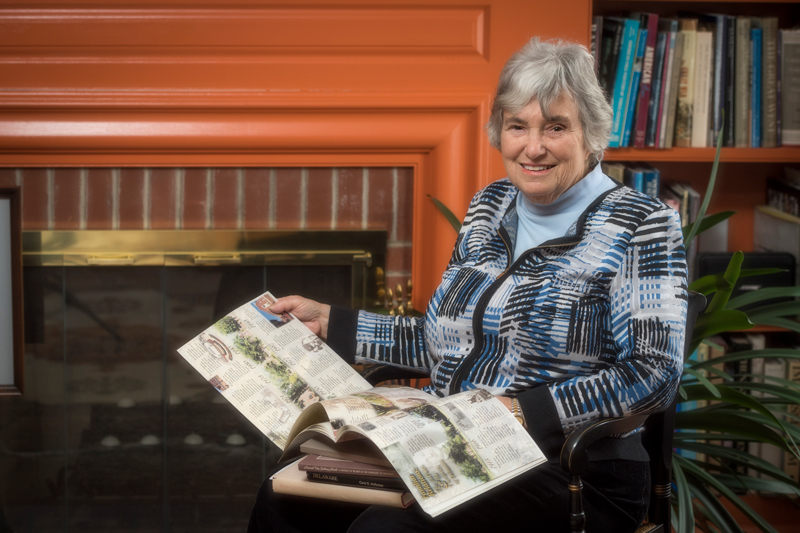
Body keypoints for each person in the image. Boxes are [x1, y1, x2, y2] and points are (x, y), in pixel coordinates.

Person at [247, 37, 688, 533]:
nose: (533, 147)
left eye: (556, 127)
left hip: (569, 469)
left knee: (384, 530)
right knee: (285, 498)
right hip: (450, 443)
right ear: (499, 131)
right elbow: (447, 341)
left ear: (592, 134)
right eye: (517, 126)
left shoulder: (641, 224)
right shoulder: (489, 207)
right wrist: (333, 323)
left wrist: (524, 411)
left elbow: (655, 372)